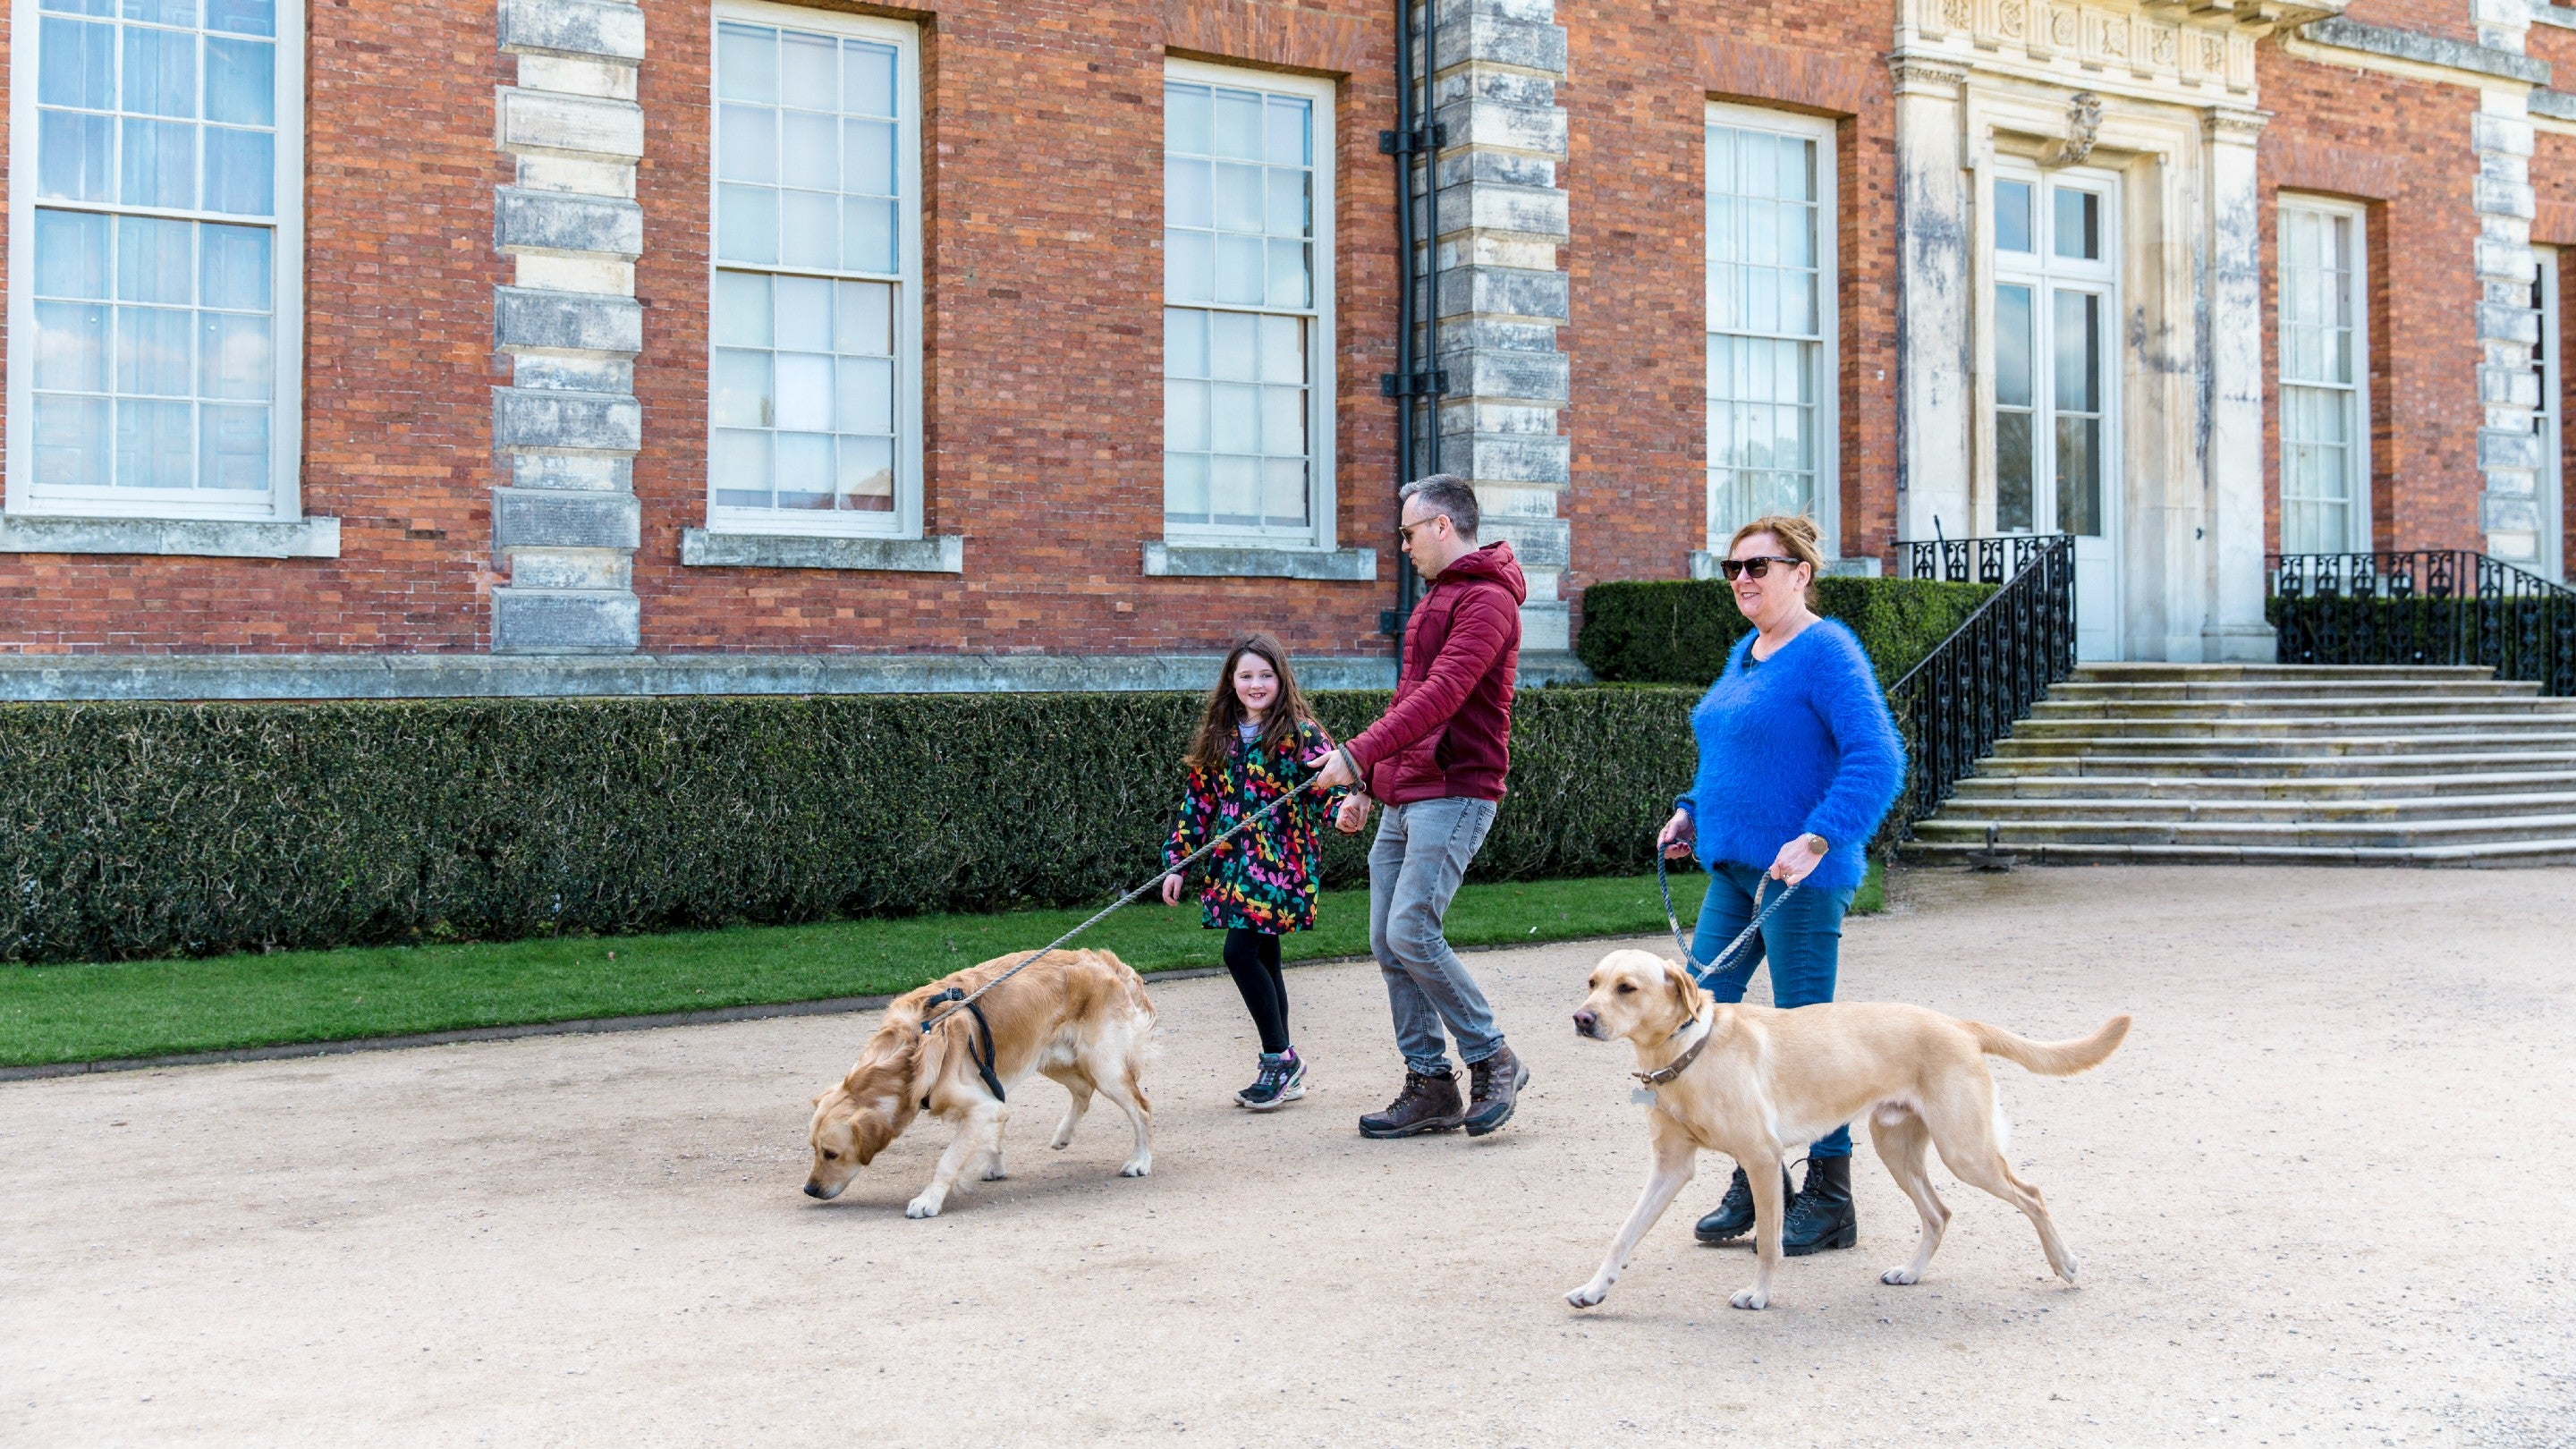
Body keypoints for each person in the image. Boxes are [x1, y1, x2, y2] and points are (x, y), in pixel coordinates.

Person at [1657, 513, 1906, 1256]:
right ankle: (1757, 1176)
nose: (1742, 579)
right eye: (1733, 568)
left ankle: (1831, 1199)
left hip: (1801, 878)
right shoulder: (1748, 653)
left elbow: (1877, 757)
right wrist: (1691, 810)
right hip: (1734, 870)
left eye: (1759, 566)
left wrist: (1820, 834)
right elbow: (1732, 754)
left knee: (1808, 1038)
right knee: (1702, 1024)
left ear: (1802, 573)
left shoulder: (1826, 650)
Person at [1310, 474, 1530, 1139]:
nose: (1402, 546)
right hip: (1407, 795)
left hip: (1457, 791)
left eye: (1408, 532)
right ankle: (1431, 1083)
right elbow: (1409, 708)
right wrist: (1367, 784)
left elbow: (1442, 698)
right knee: (1386, 939)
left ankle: (1492, 1055)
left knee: (1411, 931)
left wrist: (1351, 754)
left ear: (1442, 526)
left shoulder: (1488, 602)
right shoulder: (1439, 598)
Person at [1159, 633, 1345, 1110]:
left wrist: (1343, 810)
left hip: (1280, 865)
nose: (1256, 684)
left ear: (1281, 679)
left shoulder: (1302, 733)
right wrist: (1178, 861)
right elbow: (1199, 801)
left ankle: (1278, 1059)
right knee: (1263, 957)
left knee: (1239, 952)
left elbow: (1325, 788)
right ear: (1231, 681)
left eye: (1265, 675)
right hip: (1232, 864)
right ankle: (1287, 1064)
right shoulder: (1219, 735)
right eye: (1246, 676)